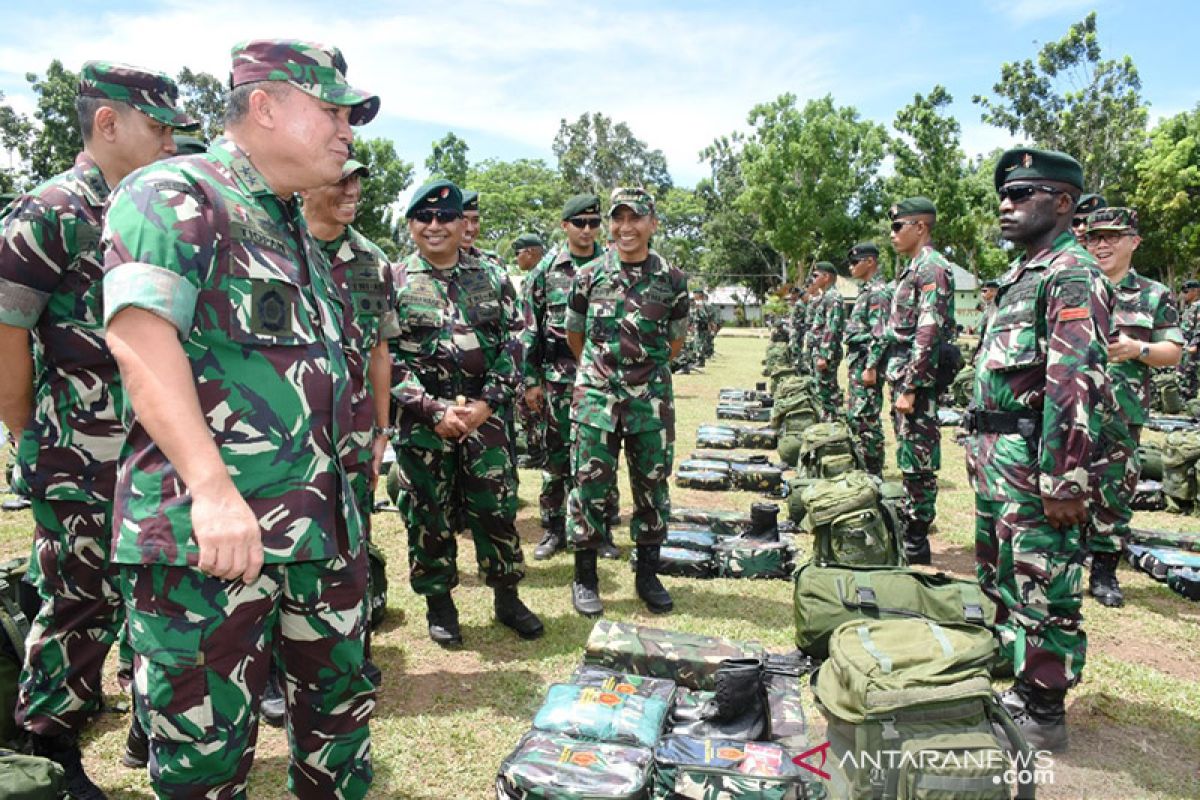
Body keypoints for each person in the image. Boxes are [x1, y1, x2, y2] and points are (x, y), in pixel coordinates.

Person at [101, 40, 379, 798]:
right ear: (264, 105)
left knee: (339, 749)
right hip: (212, 544)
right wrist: (212, 488)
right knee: (204, 766)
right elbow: (139, 335)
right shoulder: (177, 193)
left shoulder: (300, 232)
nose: (347, 130)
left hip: (322, 537)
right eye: (331, 110)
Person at [0, 60, 194, 798]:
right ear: (108, 123)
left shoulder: (158, 214)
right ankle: (51, 741)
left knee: (158, 594)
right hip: (77, 457)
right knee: (77, 603)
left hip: (155, 454)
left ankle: (150, 719)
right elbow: (6, 334)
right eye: (158, 124)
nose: (171, 139)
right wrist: (31, 432)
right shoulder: (49, 211)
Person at [967, 147, 1112, 751]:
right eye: (1005, 194)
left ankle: (1044, 709)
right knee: (1007, 577)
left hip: (1036, 466)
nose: (1006, 204)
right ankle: (1018, 675)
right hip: (998, 457)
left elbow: (1074, 382)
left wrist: (1065, 480)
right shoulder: (1027, 272)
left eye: (1022, 194)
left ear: (1062, 202)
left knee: (1043, 578)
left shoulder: (1071, 273)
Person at [388, 179, 543, 647]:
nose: (434, 226)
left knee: (495, 508)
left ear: (462, 224)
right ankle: (439, 603)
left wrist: (486, 404)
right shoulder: (392, 279)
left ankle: (507, 596)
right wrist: (431, 409)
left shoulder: (493, 277)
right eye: (423, 218)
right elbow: (384, 355)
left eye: (445, 217)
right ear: (411, 224)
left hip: (486, 417)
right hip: (422, 422)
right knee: (427, 514)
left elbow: (518, 340)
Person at [565, 187, 688, 618]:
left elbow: (675, 341)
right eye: (618, 218)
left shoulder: (672, 278)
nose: (625, 227)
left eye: (635, 218)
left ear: (652, 223)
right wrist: (601, 375)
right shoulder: (589, 275)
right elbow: (574, 335)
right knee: (589, 487)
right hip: (596, 398)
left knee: (652, 487)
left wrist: (643, 375)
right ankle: (585, 578)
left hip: (649, 401)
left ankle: (647, 576)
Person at [1081, 207, 1182, 607]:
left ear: (1134, 242)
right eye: (1094, 237)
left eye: (1112, 237)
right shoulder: (1073, 284)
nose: (1101, 245)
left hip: (1122, 412)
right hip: (1069, 408)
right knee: (1061, 482)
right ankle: (1064, 562)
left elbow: (1172, 352)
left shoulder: (1154, 294)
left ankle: (1104, 570)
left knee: (1115, 491)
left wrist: (1137, 349)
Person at [522, 195, 620, 562]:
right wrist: (531, 380)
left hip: (603, 380)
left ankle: (602, 529)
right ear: (564, 226)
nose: (587, 230)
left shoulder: (613, 267)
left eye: (594, 223)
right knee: (556, 459)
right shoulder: (546, 270)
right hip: (558, 380)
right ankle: (553, 529)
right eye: (579, 223)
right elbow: (529, 327)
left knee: (601, 459)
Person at [884, 197, 957, 564]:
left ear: (920, 227)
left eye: (898, 226)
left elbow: (928, 331)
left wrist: (911, 385)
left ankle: (917, 541)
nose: (892, 234)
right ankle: (913, 534)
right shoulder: (913, 268)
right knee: (910, 456)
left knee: (919, 460)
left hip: (916, 380)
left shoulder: (932, 267)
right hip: (903, 375)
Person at [844, 243, 892, 475]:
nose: (851, 267)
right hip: (859, 363)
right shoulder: (866, 291)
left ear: (870, 262)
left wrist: (871, 366)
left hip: (867, 364)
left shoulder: (878, 292)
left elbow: (881, 333)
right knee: (858, 417)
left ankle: (873, 472)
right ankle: (864, 467)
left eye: (855, 262)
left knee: (867, 419)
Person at [809, 261, 845, 421]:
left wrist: (823, 355)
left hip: (827, 354)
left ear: (826, 277)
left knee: (827, 392)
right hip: (822, 352)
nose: (813, 279)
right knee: (823, 390)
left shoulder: (832, 297)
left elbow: (831, 327)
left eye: (816, 275)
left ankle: (832, 424)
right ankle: (828, 421)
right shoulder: (826, 296)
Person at [1176, 279, 1200, 398]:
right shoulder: (1188, 307)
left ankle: (1190, 398)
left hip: (1193, 346)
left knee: (1191, 372)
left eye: (1186, 291)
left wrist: (1195, 344)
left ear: (1195, 291)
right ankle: (1184, 397)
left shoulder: (1198, 306)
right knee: (1183, 372)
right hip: (1185, 344)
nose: (1184, 294)